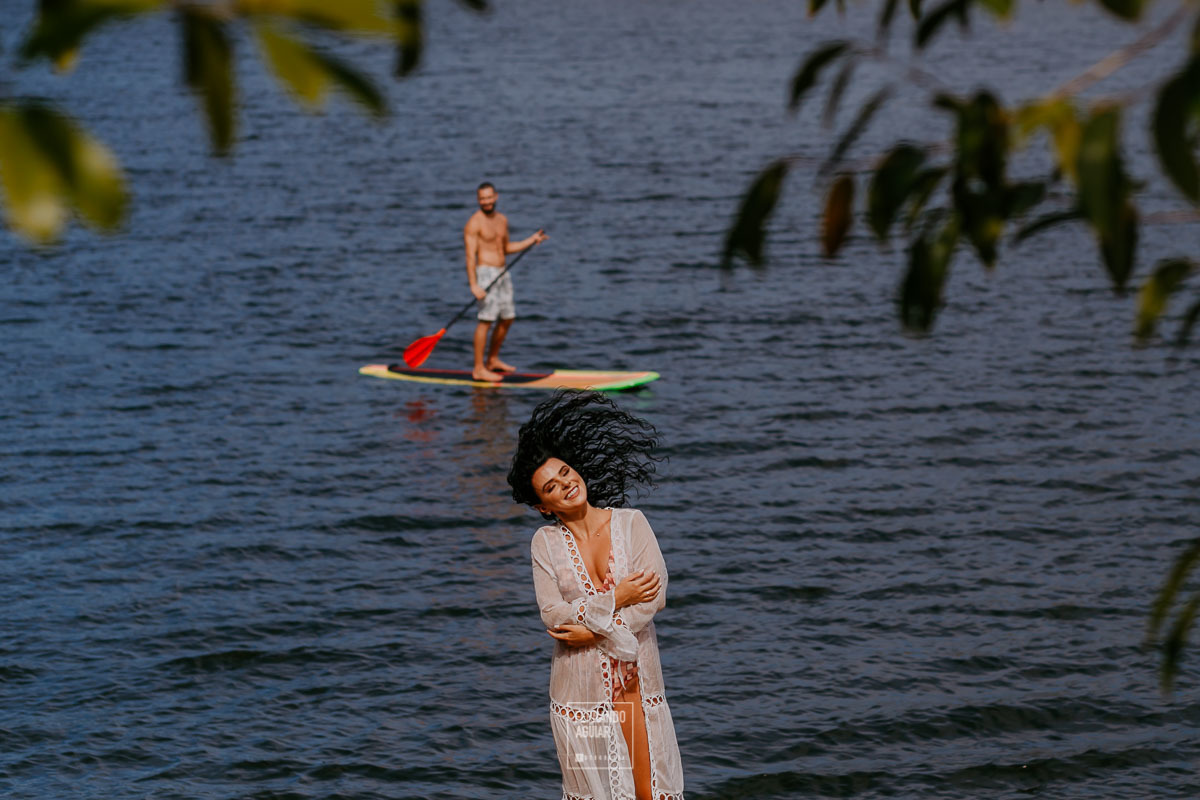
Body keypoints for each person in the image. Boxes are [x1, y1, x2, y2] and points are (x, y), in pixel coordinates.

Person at [508, 391, 685, 800]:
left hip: (634, 684)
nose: (566, 484)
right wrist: (617, 595)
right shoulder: (545, 543)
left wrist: (593, 630)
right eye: (551, 487)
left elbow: (653, 598)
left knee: (648, 791)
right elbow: (554, 615)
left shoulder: (631, 524)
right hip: (578, 694)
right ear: (542, 506)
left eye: (566, 473)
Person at [463, 182, 547, 382]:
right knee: (486, 320)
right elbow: (469, 256)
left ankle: (492, 360)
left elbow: (506, 248)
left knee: (508, 318)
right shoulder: (474, 223)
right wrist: (474, 284)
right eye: (482, 198)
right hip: (485, 273)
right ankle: (478, 368)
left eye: (489, 197)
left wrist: (531, 240)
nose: (486, 201)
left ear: (496, 196)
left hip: (503, 272)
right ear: (478, 200)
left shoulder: (502, 220)